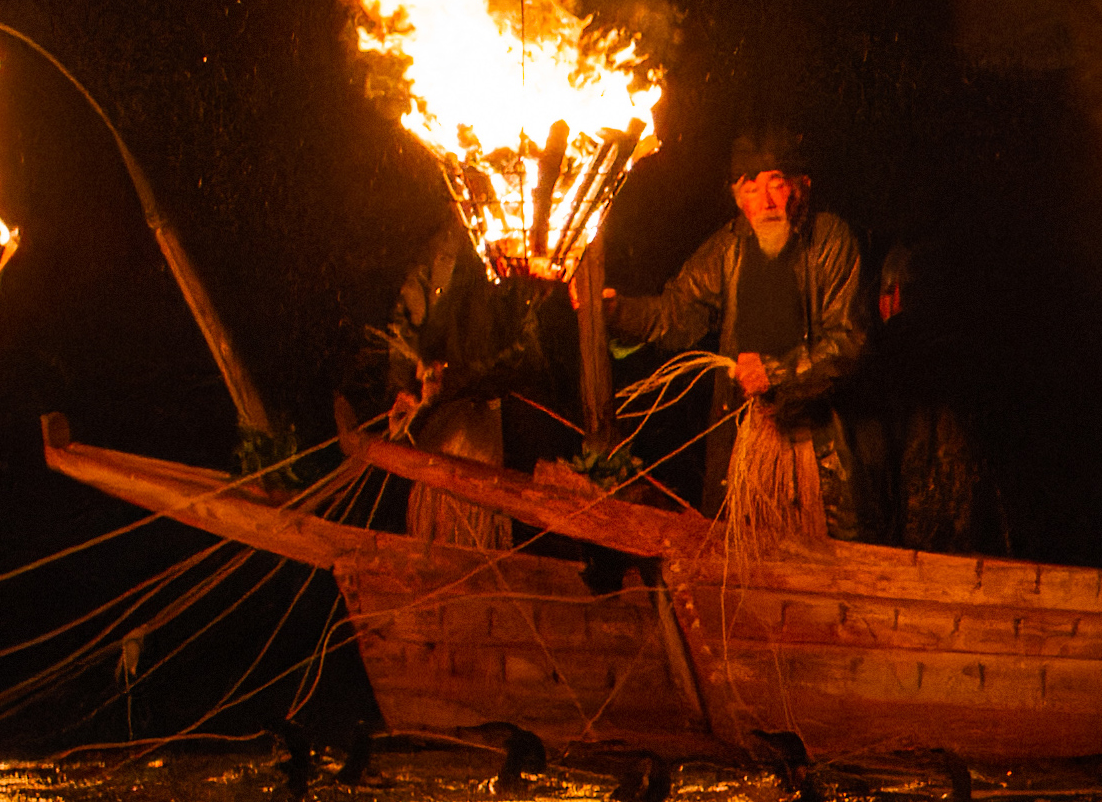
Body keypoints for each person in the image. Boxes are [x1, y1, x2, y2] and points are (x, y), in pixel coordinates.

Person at [613, 126, 872, 539]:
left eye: (777, 184)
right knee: (739, 567)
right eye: (750, 188)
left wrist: (777, 372)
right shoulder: (728, 248)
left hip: (815, 452)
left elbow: (849, 342)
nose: (766, 202)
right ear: (736, 197)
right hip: (743, 444)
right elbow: (674, 315)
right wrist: (613, 309)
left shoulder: (830, 241)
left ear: (802, 187)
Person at [378, 227, 579, 551]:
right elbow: (403, 328)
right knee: (435, 526)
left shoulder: (519, 256)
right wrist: (405, 386)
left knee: (494, 532)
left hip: (495, 428)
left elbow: (526, 353)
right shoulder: (442, 253)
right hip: (439, 427)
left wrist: (461, 379)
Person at [841, 248, 1003, 555]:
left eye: (889, 292)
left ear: (895, 296)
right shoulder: (971, 364)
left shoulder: (875, 367)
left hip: (901, 547)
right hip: (961, 547)